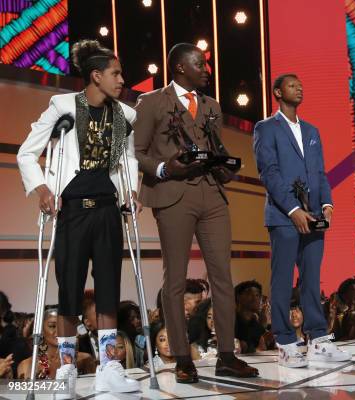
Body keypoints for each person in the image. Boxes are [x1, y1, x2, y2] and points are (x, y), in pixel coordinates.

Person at [16, 39, 141, 397]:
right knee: (69, 291)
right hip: (72, 210)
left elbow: (129, 159)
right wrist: (40, 189)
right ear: (96, 75)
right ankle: (67, 369)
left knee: (107, 290)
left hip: (107, 210)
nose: (122, 81)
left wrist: (132, 189)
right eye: (116, 74)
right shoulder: (63, 106)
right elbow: (27, 153)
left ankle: (109, 367)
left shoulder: (123, 116)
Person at [133, 42, 258, 380]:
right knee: (175, 280)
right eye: (199, 65)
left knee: (222, 276)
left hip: (212, 195)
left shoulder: (211, 105)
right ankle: (181, 357)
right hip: (173, 195)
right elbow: (138, 152)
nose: (206, 70)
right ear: (179, 69)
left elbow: (217, 147)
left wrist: (226, 166)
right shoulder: (152, 102)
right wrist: (163, 168)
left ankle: (227, 354)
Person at [253, 73, 351, 368]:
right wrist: (294, 210)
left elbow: (319, 172)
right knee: (282, 280)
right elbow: (268, 172)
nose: (299, 87)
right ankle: (284, 342)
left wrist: (327, 203)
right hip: (284, 217)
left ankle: (319, 340)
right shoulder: (266, 128)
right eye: (292, 84)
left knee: (312, 279)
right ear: (277, 92)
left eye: (301, 83)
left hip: (314, 217)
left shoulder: (311, 130)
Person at [17, 307, 95, 381]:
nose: (59, 330)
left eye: (63, 325)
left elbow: (93, 389)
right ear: (42, 330)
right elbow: (24, 393)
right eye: (52, 326)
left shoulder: (84, 359)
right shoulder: (29, 364)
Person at [234, 280, 274, 353]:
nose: (255, 298)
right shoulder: (231, 322)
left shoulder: (257, 326)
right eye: (249, 293)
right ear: (238, 297)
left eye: (258, 295)